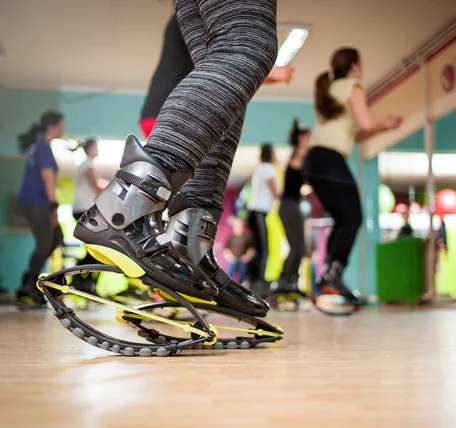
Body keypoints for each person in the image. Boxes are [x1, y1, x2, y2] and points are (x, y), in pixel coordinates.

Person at [73, 0, 280, 318]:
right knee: (248, 45)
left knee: (223, 71)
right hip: (167, 119)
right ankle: (122, 210)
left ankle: (189, 247)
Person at [136, 11, 292, 317]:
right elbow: (225, 56)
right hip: (180, 109)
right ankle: (171, 281)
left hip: (167, 107)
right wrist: (277, 73)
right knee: (251, 48)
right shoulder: (193, 19)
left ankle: (182, 273)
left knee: (189, 193)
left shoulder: (181, 16)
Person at [302, 47, 402, 301]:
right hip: (329, 159)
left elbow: (355, 134)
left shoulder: (329, 90)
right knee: (353, 217)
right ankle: (331, 274)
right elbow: (366, 123)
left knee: (342, 217)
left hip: (314, 160)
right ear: (355, 66)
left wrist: (379, 129)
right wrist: (386, 124)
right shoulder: (354, 86)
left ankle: (329, 275)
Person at [15, 111, 65, 306]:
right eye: (61, 125)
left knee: (56, 238)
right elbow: (47, 176)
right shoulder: (43, 146)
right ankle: (28, 286)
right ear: (52, 126)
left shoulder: (40, 145)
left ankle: (31, 282)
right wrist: (53, 204)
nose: (63, 128)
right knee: (45, 243)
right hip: (38, 202)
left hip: (34, 202)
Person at [272, 119, 312, 294]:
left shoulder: (299, 155)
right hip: (289, 206)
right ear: (302, 138)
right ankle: (286, 282)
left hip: (291, 204)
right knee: (298, 246)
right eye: (309, 137)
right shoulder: (300, 154)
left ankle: (287, 281)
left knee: (298, 246)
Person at [70, 139, 103, 293]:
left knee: (97, 246)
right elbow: (96, 188)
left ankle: (84, 280)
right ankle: (79, 278)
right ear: (89, 149)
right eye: (96, 147)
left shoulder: (84, 164)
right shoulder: (87, 165)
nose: (98, 150)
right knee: (99, 246)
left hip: (81, 209)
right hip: (84, 209)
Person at [245, 144, 279, 295]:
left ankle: (251, 281)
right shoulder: (268, 168)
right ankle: (258, 286)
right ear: (271, 154)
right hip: (258, 212)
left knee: (259, 249)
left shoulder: (259, 168)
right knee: (264, 250)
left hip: (254, 213)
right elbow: (275, 192)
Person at [223, 218, 255, 283]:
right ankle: (228, 284)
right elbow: (226, 249)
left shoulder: (247, 237)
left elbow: (251, 249)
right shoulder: (231, 236)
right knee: (230, 272)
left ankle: (242, 284)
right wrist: (229, 256)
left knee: (243, 273)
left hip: (242, 259)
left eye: (240, 227)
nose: (238, 228)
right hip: (233, 259)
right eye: (236, 227)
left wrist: (247, 256)